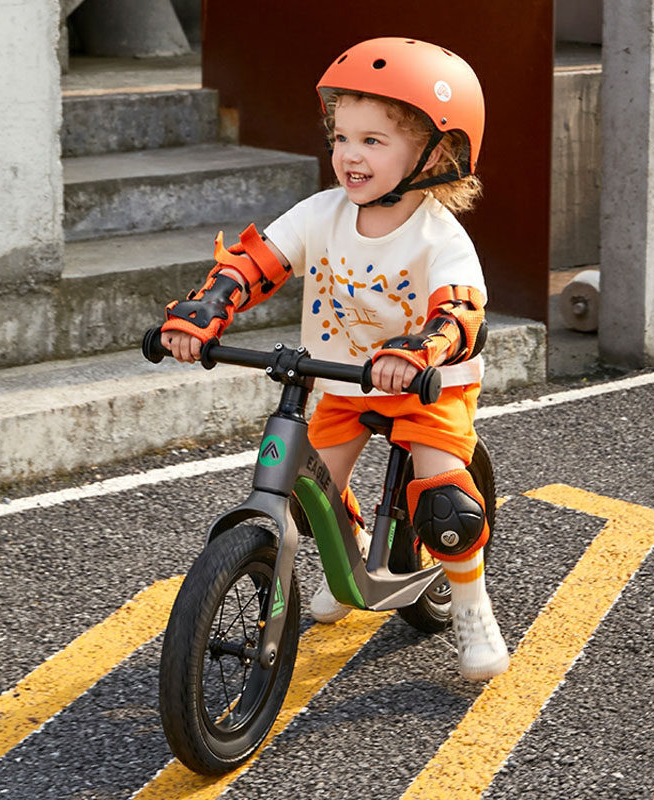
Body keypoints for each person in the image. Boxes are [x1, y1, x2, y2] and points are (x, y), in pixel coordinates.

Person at [160, 37, 509, 681]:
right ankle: (348, 562)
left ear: (436, 154)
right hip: (343, 380)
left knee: (444, 505)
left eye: (373, 140)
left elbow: (459, 312)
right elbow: (258, 262)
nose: (349, 154)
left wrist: (419, 349)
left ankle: (469, 603)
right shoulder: (323, 213)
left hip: (426, 387)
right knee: (303, 492)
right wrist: (206, 311)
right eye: (341, 137)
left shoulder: (440, 237)